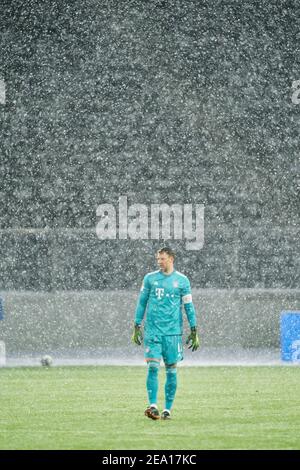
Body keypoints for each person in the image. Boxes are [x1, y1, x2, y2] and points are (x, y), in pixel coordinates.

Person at [131, 247, 200, 420]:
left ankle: (167, 410)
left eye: (162, 259)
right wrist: (136, 325)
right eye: (157, 259)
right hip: (153, 332)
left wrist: (194, 329)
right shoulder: (150, 279)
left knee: (171, 370)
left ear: (171, 259)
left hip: (173, 334)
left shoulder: (182, 281)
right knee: (153, 367)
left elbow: (188, 307)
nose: (159, 261)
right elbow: (142, 302)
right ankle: (153, 406)